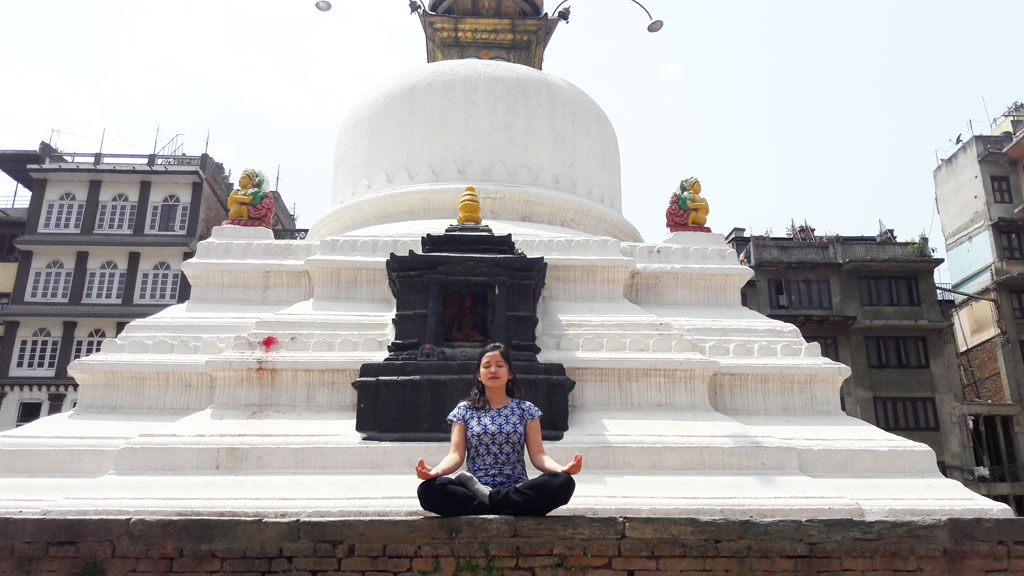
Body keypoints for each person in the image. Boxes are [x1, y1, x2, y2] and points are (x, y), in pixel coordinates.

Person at [415, 343, 582, 516]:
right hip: (475, 488)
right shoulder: (464, 410)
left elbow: (539, 455)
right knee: (428, 491)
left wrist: (561, 469)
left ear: (509, 373)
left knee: (563, 482)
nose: (493, 370)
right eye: (487, 366)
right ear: (479, 375)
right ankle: (504, 503)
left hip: (516, 485)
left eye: (500, 365)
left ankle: (490, 500)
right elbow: (455, 455)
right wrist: (435, 471)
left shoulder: (526, 409)